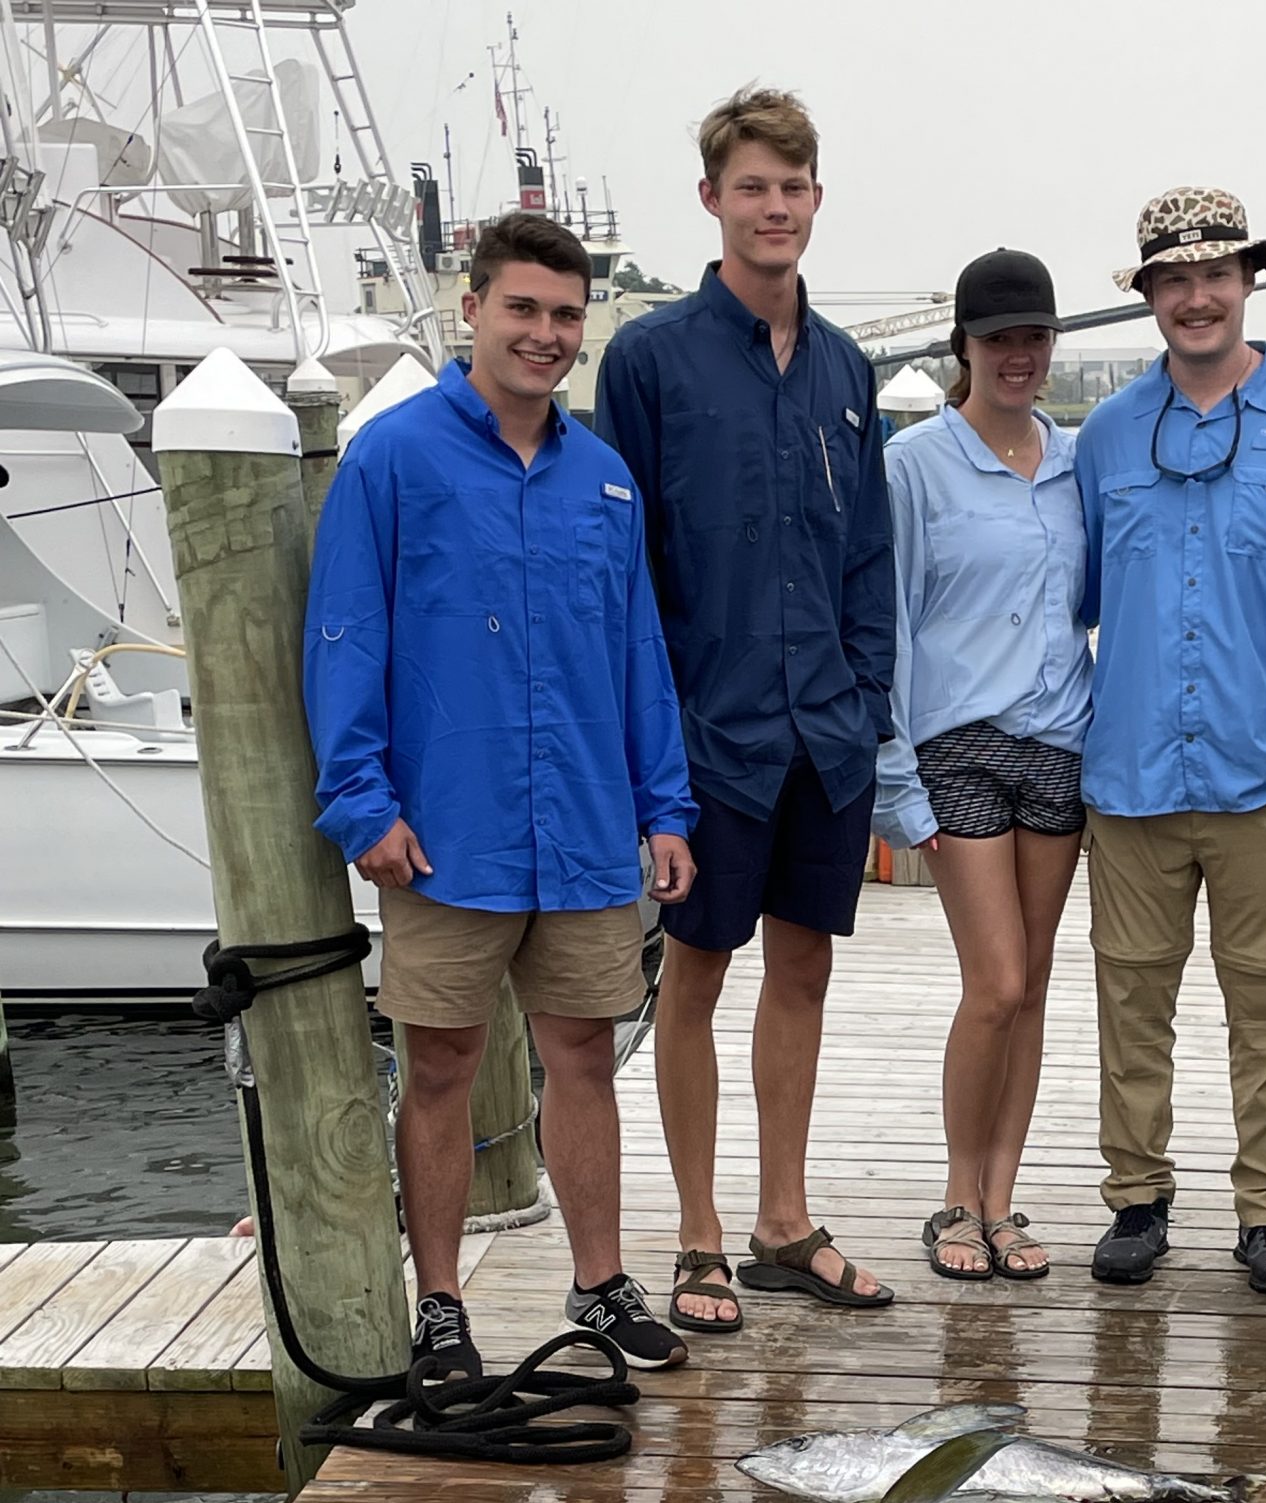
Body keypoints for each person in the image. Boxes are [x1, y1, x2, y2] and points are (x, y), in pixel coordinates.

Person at [306, 208, 697, 1390]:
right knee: (440, 1064)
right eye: (521, 308)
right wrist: (360, 802)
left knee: (583, 1050)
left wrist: (665, 806)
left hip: (581, 826)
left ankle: (598, 1278)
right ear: (470, 309)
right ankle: (439, 1305)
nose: (544, 334)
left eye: (565, 314)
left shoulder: (608, 482)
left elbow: (638, 652)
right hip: (447, 831)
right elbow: (343, 634)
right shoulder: (392, 457)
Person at [594, 86, 896, 1334]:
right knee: (696, 980)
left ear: (817, 202)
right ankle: (701, 1235)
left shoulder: (845, 368)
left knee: (804, 975)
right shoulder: (651, 359)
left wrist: (868, 697)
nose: (776, 208)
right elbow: (624, 564)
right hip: (706, 733)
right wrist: (646, 740)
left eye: (795, 187)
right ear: (713, 199)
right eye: (753, 187)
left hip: (824, 733)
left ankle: (783, 1219)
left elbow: (867, 555)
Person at [1076, 187, 1266, 1293]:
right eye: (1172, 278)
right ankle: (1137, 1196)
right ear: (1149, 295)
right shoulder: (1107, 433)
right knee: (1131, 1000)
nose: (1195, 296)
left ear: (1249, 280)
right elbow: (1077, 592)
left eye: (1216, 274)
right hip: (1132, 777)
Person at [874, 248, 1091, 1283]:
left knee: (1036, 985)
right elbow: (888, 624)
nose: (1019, 355)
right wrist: (893, 776)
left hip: (1061, 740)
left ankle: (1005, 1198)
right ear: (963, 346)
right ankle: (958, 1194)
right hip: (956, 741)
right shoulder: (914, 464)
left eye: (1034, 337)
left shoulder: (1075, 463)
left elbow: (1090, 603)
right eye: (999, 337)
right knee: (994, 982)